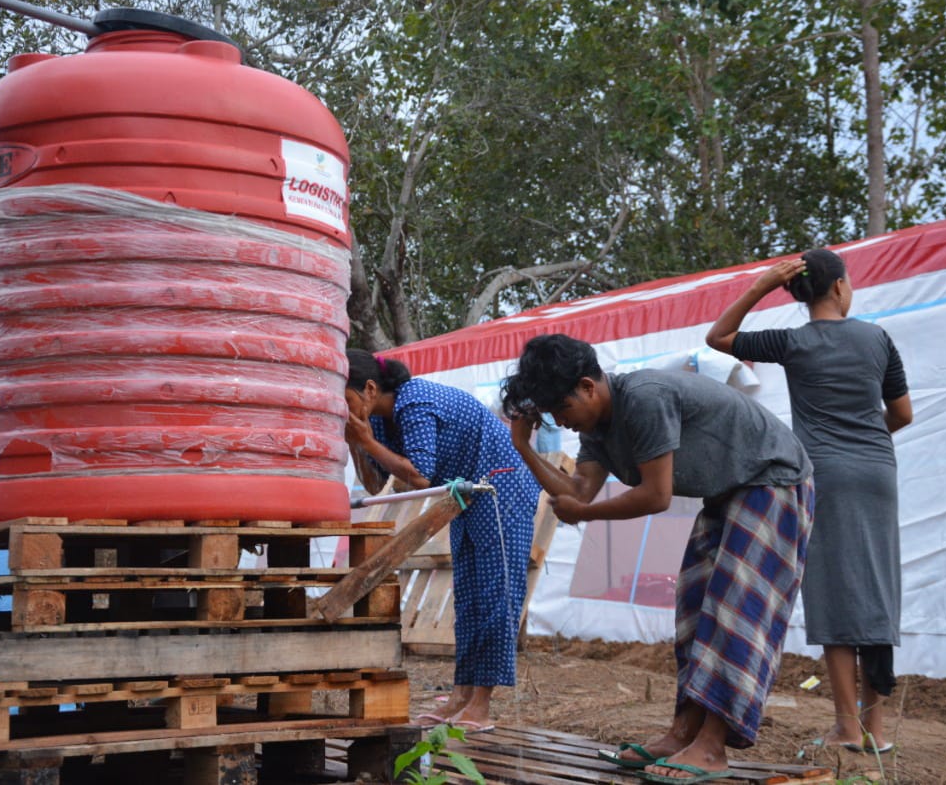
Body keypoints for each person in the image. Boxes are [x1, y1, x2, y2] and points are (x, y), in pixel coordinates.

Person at [501, 333, 814, 782]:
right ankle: (684, 731)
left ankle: (711, 746)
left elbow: (655, 495)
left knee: (733, 607)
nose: (560, 421)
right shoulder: (597, 428)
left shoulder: (645, 398)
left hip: (774, 481)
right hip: (728, 491)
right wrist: (524, 447)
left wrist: (585, 513)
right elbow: (577, 491)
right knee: (694, 605)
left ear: (589, 387)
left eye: (561, 409)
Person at [706, 248, 913, 755]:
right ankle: (877, 731)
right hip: (877, 472)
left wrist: (760, 286)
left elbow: (718, 338)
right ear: (841, 286)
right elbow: (902, 414)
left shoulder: (793, 341)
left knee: (834, 594)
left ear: (798, 294)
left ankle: (847, 727)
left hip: (823, 475)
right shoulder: (877, 338)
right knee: (877, 589)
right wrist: (864, 438)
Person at [343, 348, 540, 733]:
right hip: (468, 495)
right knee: (467, 597)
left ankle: (480, 705)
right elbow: (375, 484)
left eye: (346, 401)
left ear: (369, 388)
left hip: (503, 485)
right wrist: (356, 441)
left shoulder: (414, 402)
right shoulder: (379, 421)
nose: (344, 411)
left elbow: (419, 475)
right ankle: (460, 696)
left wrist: (365, 440)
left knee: (496, 594)